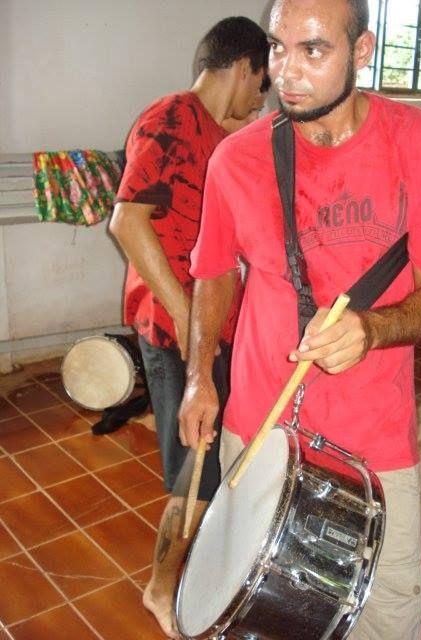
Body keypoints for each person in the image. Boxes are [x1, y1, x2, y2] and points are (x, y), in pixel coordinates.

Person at [178, 1, 421, 639]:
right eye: (278, 48)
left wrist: (374, 329)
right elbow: (214, 271)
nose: (288, 72)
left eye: (313, 50)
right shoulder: (235, 160)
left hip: (374, 438)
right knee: (256, 610)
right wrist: (201, 377)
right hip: (258, 423)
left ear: (361, 51)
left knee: (387, 614)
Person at [109, 16, 269, 639]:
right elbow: (127, 221)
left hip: (210, 324)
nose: (261, 100)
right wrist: (182, 312)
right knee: (195, 466)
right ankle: (160, 589)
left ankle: (197, 571)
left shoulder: (214, 129)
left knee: (211, 461)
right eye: (261, 83)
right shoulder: (171, 116)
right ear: (244, 66)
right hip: (176, 326)